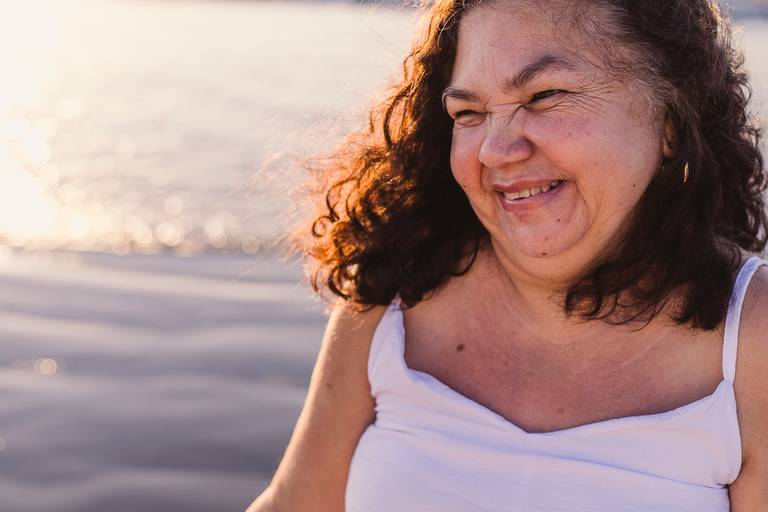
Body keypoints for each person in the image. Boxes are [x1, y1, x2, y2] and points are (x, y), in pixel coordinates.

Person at [247, 0, 768, 510]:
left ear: (671, 120)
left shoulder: (751, 339)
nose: (495, 151)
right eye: (469, 112)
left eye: (544, 95)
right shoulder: (393, 296)